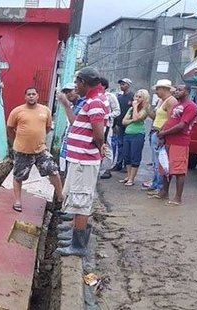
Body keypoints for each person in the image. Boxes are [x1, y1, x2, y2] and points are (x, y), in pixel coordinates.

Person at [55, 67, 108, 257]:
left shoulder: (94, 103)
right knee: (78, 199)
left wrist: (98, 146)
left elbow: (98, 133)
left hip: (84, 161)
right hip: (80, 160)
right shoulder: (92, 101)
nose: (76, 87)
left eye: (77, 83)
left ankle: (78, 246)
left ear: (84, 82)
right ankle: (74, 238)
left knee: (81, 201)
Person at [7, 87, 64, 212]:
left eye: (33, 94)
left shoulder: (45, 111)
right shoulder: (17, 111)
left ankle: (60, 198)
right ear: (25, 97)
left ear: (37, 96)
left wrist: (38, 137)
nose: (31, 96)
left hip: (40, 150)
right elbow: (10, 128)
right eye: (29, 94)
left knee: (53, 171)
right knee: (18, 176)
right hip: (22, 151)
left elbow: (48, 128)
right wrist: (16, 141)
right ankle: (17, 201)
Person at [156, 85, 197, 206]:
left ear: (187, 92)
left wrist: (164, 133)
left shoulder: (191, 106)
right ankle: (164, 192)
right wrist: (162, 135)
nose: (177, 92)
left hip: (180, 142)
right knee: (165, 168)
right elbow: (169, 121)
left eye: (180, 90)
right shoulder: (176, 105)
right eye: (177, 90)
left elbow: (181, 126)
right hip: (168, 141)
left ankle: (177, 198)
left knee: (179, 170)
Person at [144, 80, 177, 194]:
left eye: (158, 89)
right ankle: (155, 183)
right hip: (155, 131)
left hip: (160, 133)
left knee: (160, 161)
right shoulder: (161, 101)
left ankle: (159, 186)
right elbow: (154, 117)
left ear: (164, 89)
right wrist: (147, 107)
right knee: (155, 160)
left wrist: (162, 134)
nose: (156, 92)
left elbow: (170, 120)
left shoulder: (171, 101)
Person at [118, 89, 149, 186]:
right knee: (126, 155)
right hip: (128, 134)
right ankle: (128, 175)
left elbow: (136, 118)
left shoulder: (145, 109)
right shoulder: (130, 109)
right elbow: (124, 121)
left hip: (138, 134)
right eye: (136, 96)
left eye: (140, 97)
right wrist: (132, 119)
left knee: (135, 156)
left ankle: (132, 178)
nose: (137, 99)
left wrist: (135, 107)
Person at [56, 83, 85, 172]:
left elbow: (74, 123)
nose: (68, 94)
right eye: (65, 92)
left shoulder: (83, 104)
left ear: (76, 90)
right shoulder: (73, 106)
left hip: (78, 148)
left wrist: (66, 105)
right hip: (68, 146)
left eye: (70, 91)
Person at [111, 78, 135, 172]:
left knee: (127, 145)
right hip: (120, 125)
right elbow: (117, 112)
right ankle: (118, 163)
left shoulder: (133, 96)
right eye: (121, 84)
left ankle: (127, 164)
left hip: (129, 125)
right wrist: (115, 124)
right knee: (120, 145)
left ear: (128, 85)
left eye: (123, 84)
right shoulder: (119, 98)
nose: (121, 86)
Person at [99, 77, 121, 179]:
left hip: (107, 126)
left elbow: (117, 111)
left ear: (103, 86)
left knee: (107, 146)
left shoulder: (110, 96)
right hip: (97, 125)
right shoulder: (96, 96)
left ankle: (107, 169)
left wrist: (108, 116)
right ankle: (99, 168)